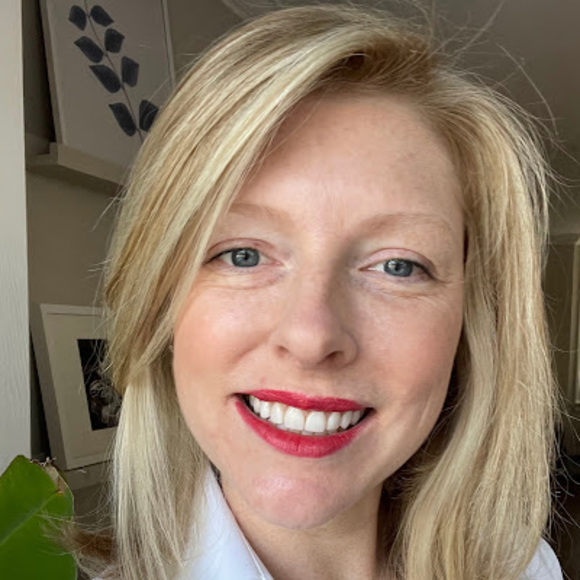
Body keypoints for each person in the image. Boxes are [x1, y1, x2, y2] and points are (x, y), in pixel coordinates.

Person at [72, 5, 562, 579]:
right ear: (160, 302)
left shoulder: (527, 569)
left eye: (398, 266)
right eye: (243, 254)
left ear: (471, 324)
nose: (310, 336)